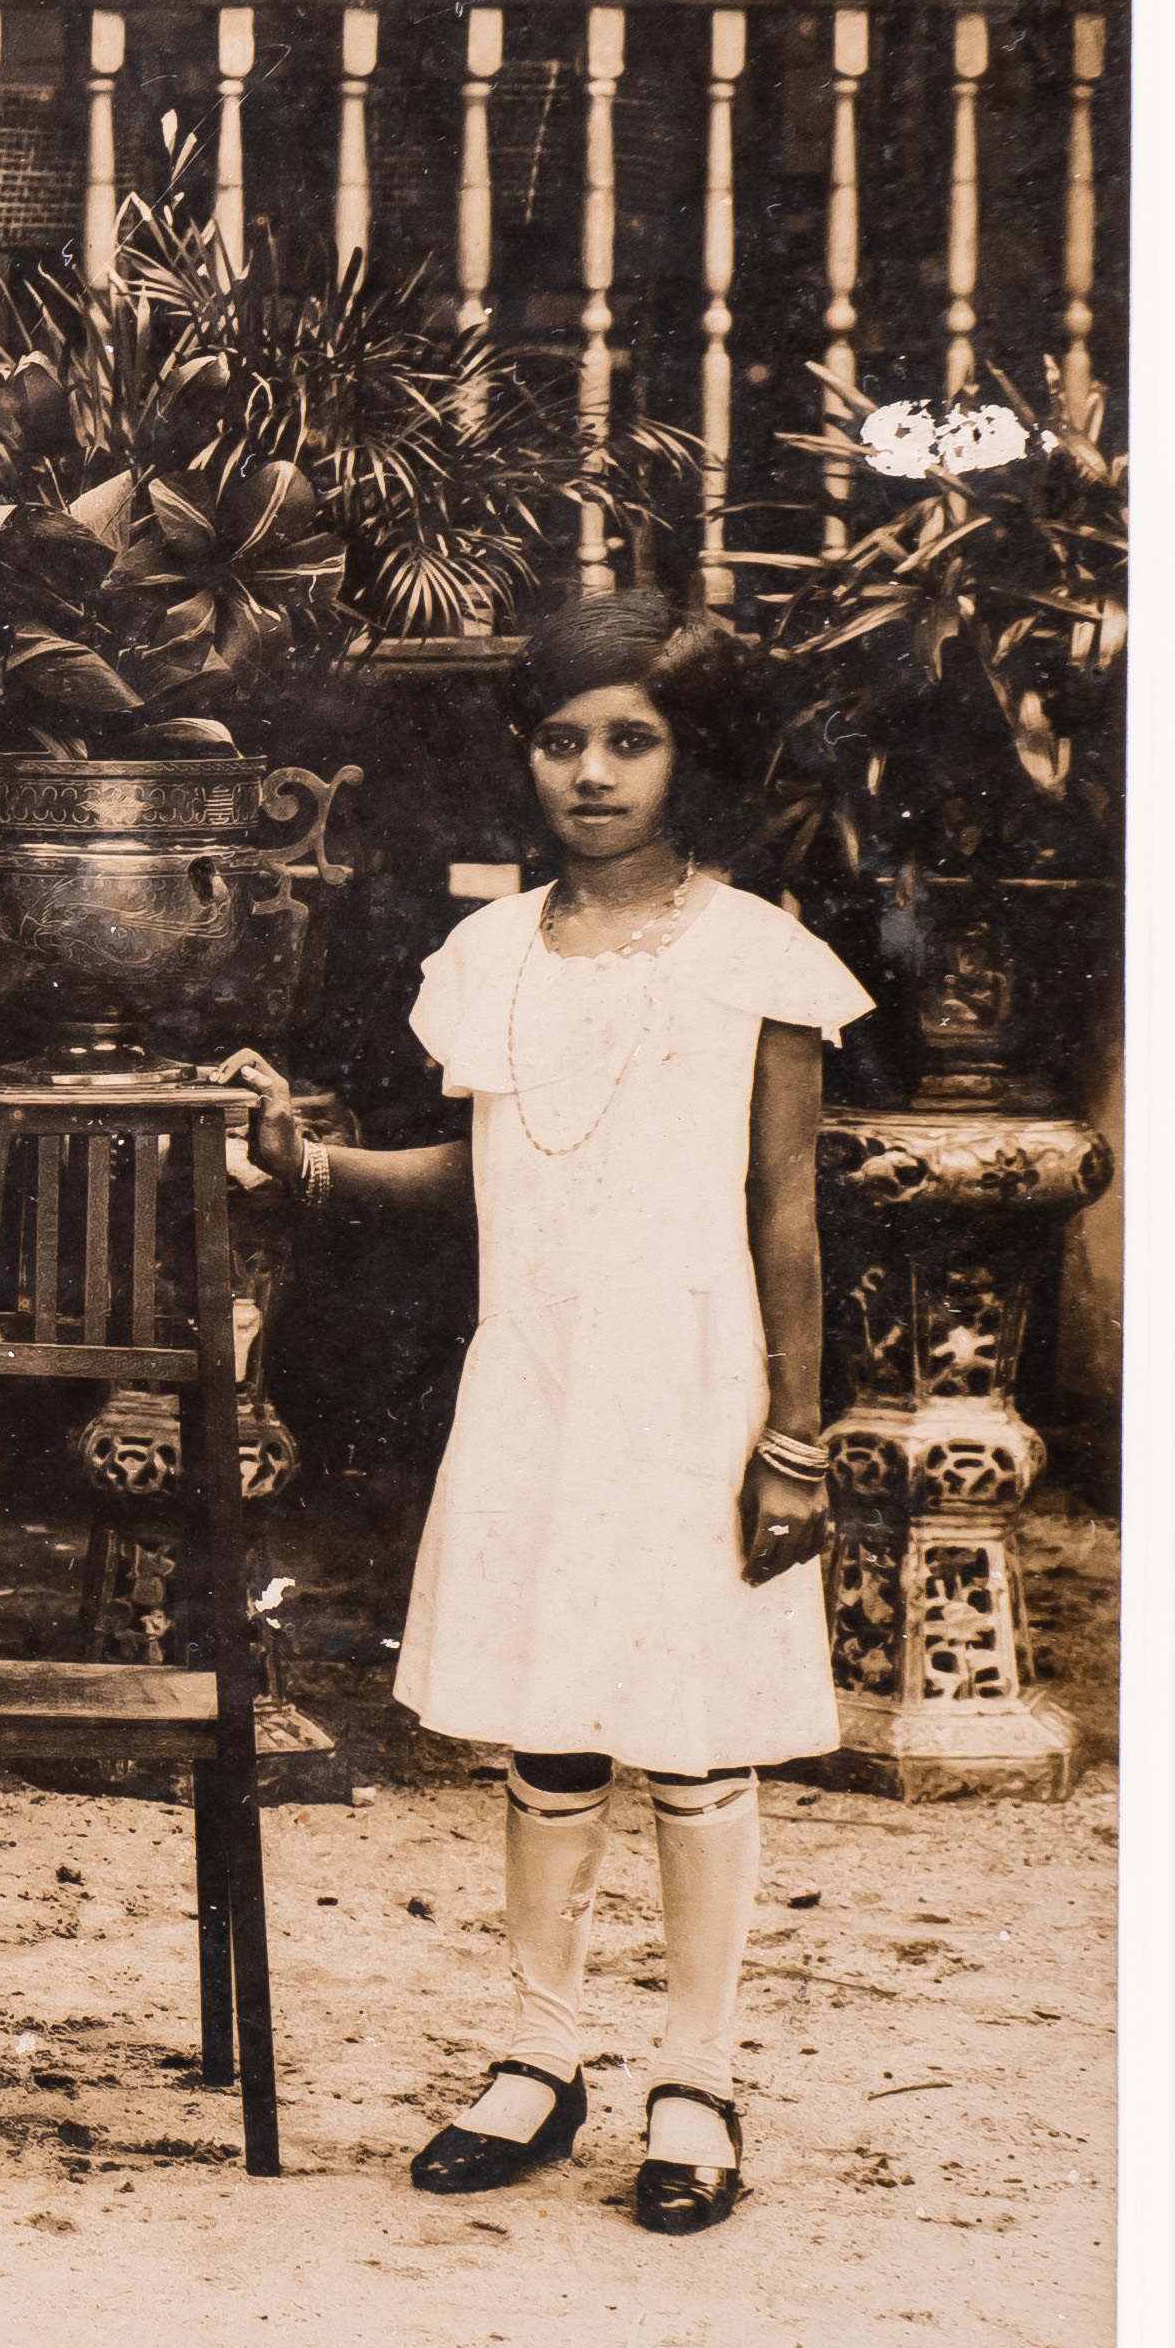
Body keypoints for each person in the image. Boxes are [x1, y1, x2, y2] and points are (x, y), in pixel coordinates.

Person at [220, 589, 865, 2236]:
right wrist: (311, 1163)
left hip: (694, 1385)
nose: (591, 772)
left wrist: (795, 1438)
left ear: (688, 756)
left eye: (630, 741)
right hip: (541, 1374)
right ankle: (538, 2054)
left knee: (694, 1734)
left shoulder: (757, 956)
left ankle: (697, 2076)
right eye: (564, 741)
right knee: (553, 1725)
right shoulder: (490, 955)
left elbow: (785, 1214)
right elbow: (477, 1172)